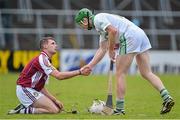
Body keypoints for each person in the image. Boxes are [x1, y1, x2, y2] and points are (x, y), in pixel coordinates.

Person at [75, 8, 175, 115]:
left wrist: (111, 49)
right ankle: (166, 97)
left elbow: (113, 31)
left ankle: (119, 109)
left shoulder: (98, 19)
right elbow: (102, 48)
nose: (82, 27)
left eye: (81, 24)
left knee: (120, 74)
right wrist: (90, 66)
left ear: (85, 21)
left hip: (129, 36)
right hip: (140, 34)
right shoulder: (101, 27)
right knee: (146, 73)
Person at [8, 37, 91, 114]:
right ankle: (22, 110)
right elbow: (59, 76)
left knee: (57, 109)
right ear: (45, 46)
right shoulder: (42, 59)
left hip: (32, 90)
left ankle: (26, 105)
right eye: (53, 43)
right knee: (53, 110)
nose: (56, 45)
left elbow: (41, 87)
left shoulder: (46, 60)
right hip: (25, 89)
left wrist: (55, 100)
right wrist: (79, 72)